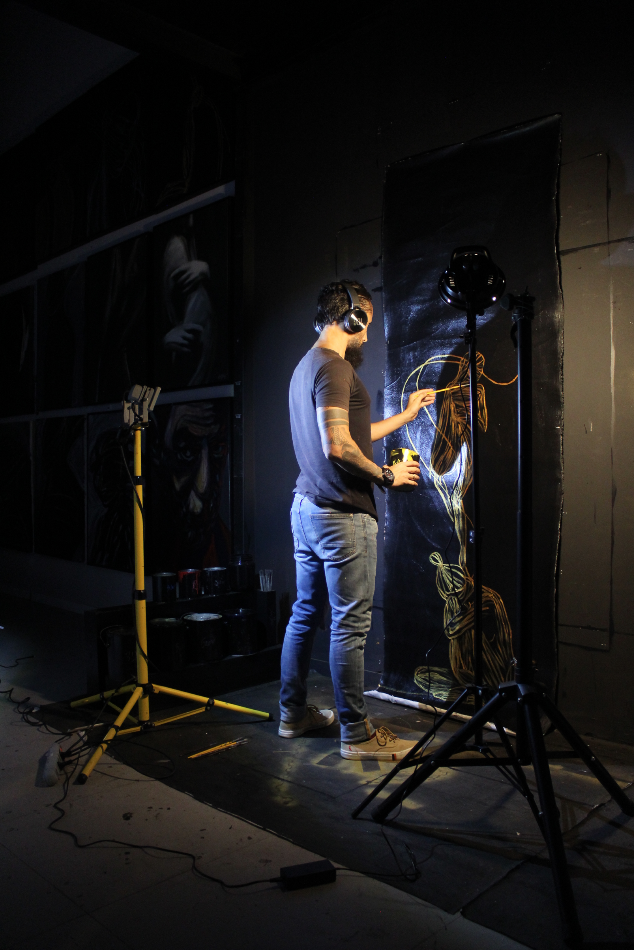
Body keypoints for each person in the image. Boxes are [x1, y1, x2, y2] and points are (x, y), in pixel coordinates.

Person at [279, 279, 435, 760]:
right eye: (367, 322)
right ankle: (357, 734)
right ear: (354, 317)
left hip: (307, 509)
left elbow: (351, 433)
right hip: (341, 515)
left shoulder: (307, 366)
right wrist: (387, 475)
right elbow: (338, 445)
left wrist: (405, 415)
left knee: (304, 615)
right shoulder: (336, 367)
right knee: (349, 627)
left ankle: (292, 716)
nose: (368, 333)